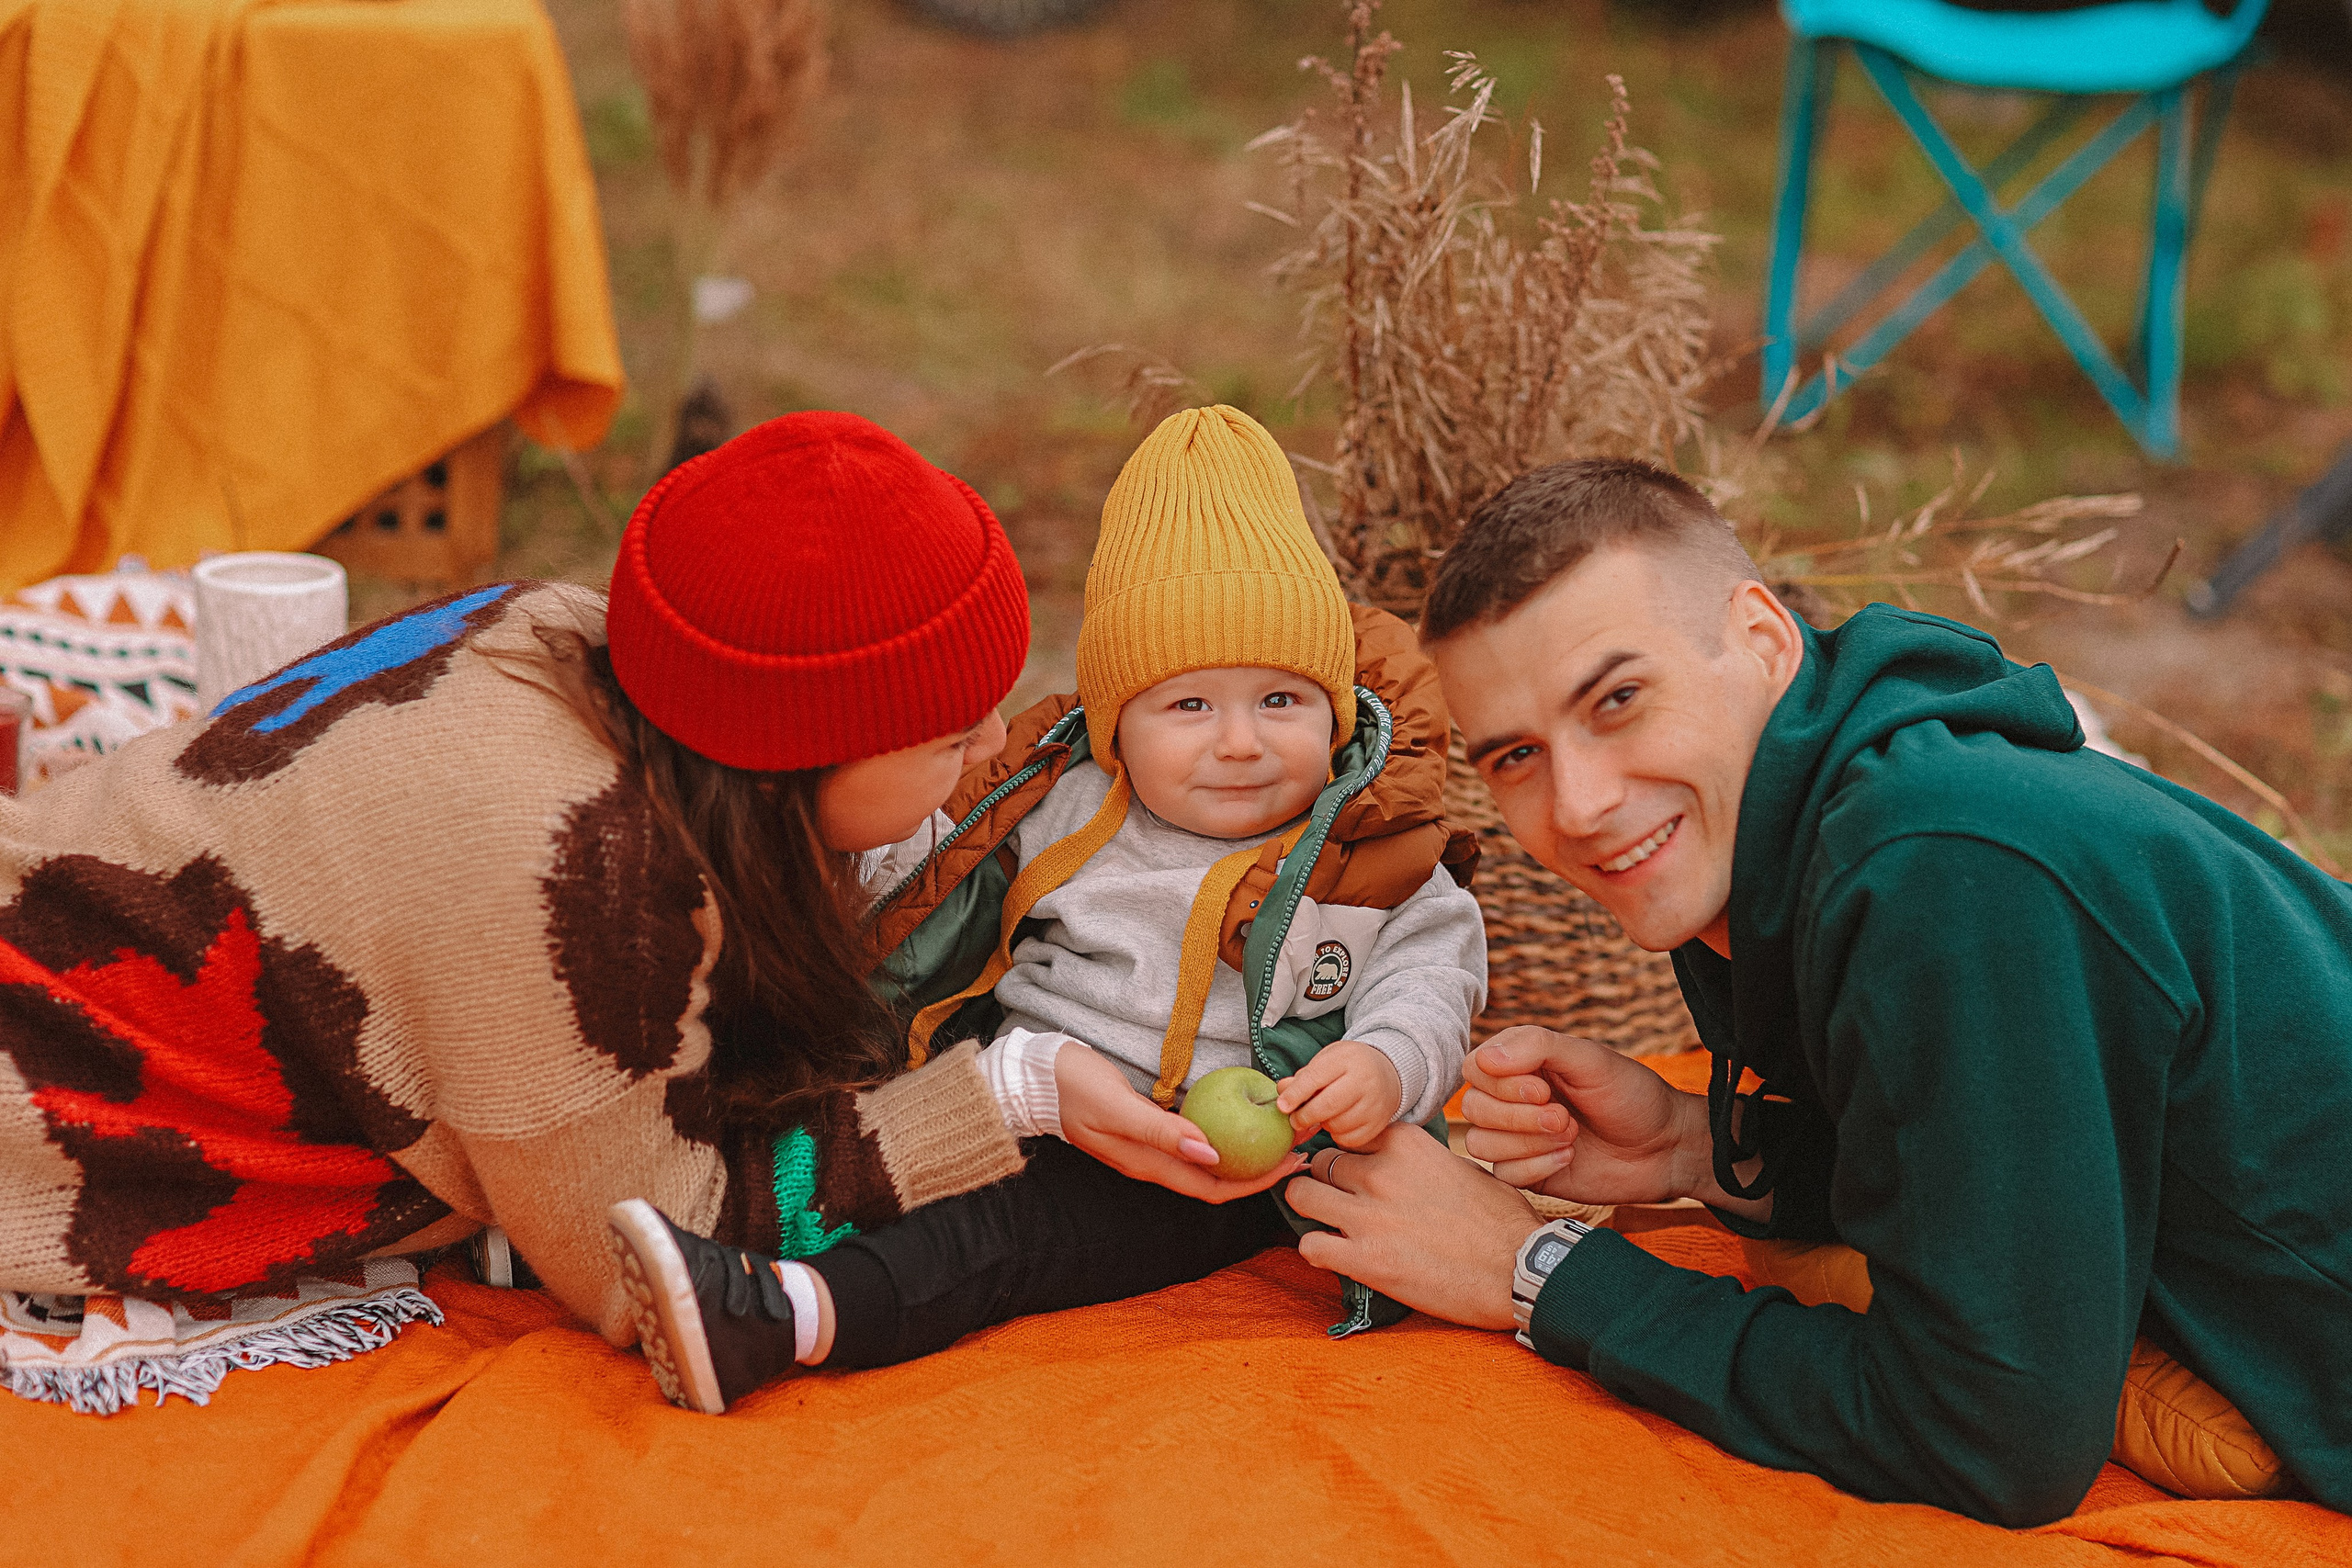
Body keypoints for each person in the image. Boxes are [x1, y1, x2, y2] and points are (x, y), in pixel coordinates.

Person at [1282, 457, 2352, 1525]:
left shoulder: (1943, 864)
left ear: (1760, 639)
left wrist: (1533, 1270)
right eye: (1517, 755)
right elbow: (1996, 1161)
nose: (1579, 805)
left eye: (1617, 700)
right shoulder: (1780, 825)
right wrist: (1693, 1148)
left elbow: (1995, 1437)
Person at [0, 411, 1095, 1349]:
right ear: (792, 756)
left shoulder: (547, 620)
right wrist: (1006, 1093)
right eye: (950, 735)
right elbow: (653, 1252)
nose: (995, 739)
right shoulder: (580, 883)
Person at [606, 405, 1487, 1413]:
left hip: (1190, 1164)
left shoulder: (1368, 851)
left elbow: (1435, 977)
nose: (1241, 741)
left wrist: (1385, 1061)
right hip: (1012, 1090)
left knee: (995, 1237)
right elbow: (936, 881)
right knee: (845, 1135)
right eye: (1190, 705)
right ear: (1116, 725)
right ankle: (606, 1243)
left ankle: (788, 1318)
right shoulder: (1064, 805)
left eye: (1280, 700)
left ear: (1332, 710)